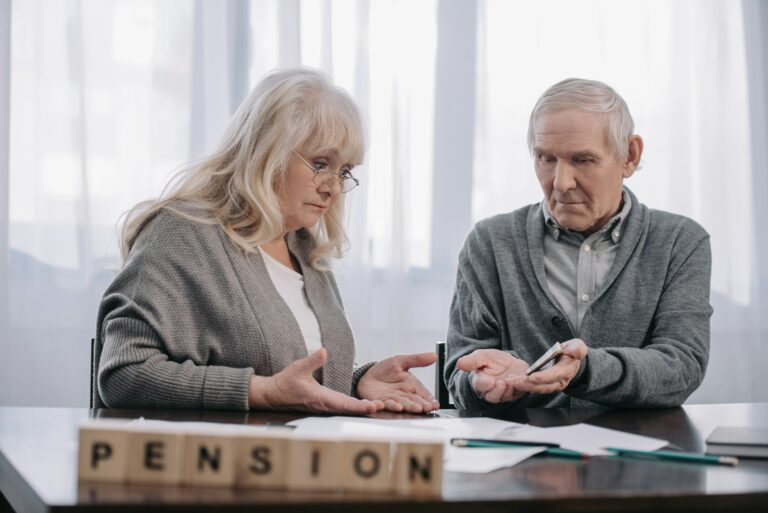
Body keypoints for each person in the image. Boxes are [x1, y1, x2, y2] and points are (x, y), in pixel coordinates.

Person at [95, 68, 439, 414]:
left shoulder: (306, 251)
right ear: (266, 151)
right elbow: (124, 374)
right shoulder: (180, 232)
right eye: (321, 163)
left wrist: (357, 383)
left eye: (345, 171)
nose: (333, 187)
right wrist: (262, 391)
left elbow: (291, 380)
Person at [445, 78, 712, 410]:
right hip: (524, 454)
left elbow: (683, 366)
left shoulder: (679, 242)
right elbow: (459, 375)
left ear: (630, 155)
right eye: (545, 159)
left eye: (583, 160)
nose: (561, 182)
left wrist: (586, 371)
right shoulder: (489, 243)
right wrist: (481, 383)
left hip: (638, 454)